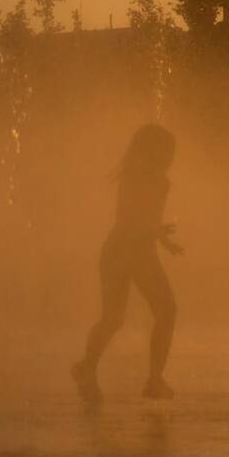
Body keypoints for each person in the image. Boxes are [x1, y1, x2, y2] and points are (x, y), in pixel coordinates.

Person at [72, 124, 181, 401]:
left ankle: (87, 367)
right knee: (164, 311)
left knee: (113, 318)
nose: (171, 157)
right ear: (153, 150)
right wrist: (158, 234)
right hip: (132, 251)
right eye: (167, 151)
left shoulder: (145, 179)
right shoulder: (145, 180)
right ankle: (153, 380)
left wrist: (163, 239)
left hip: (120, 249)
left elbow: (145, 218)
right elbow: (134, 218)